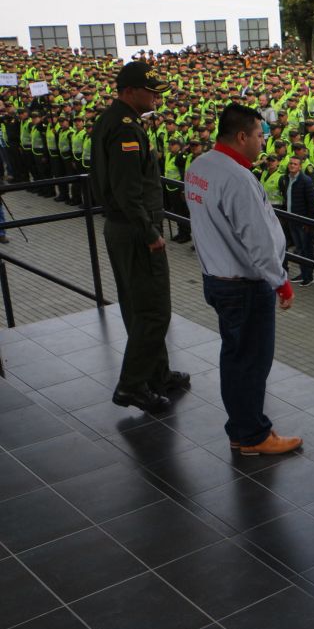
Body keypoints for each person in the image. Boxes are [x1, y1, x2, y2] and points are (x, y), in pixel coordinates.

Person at [185, 103, 303, 456]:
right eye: (257, 135)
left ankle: (240, 429)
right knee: (252, 361)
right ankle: (253, 435)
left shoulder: (201, 165)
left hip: (217, 278)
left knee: (235, 357)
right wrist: (280, 280)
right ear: (241, 136)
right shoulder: (237, 178)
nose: (262, 142)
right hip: (244, 285)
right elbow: (258, 238)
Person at [89, 62, 188, 414]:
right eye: (150, 90)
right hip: (135, 230)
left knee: (138, 305)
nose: (155, 97)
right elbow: (127, 190)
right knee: (154, 310)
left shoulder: (111, 120)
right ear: (129, 91)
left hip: (122, 228)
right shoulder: (127, 130)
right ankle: (131, 385)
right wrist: (149, 232)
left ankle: (156, 373)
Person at [279, 155, 314, 286]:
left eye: (295, 164)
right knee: (299, 249)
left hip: (303, 221)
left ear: (300, 167)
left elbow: (311, 203)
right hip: (291, 219)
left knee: (307, 249)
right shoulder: (286, 179)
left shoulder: (305, 181)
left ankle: (309, 276)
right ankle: (303, 273)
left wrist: (309, 222)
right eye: (290, 163)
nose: (292, 166)